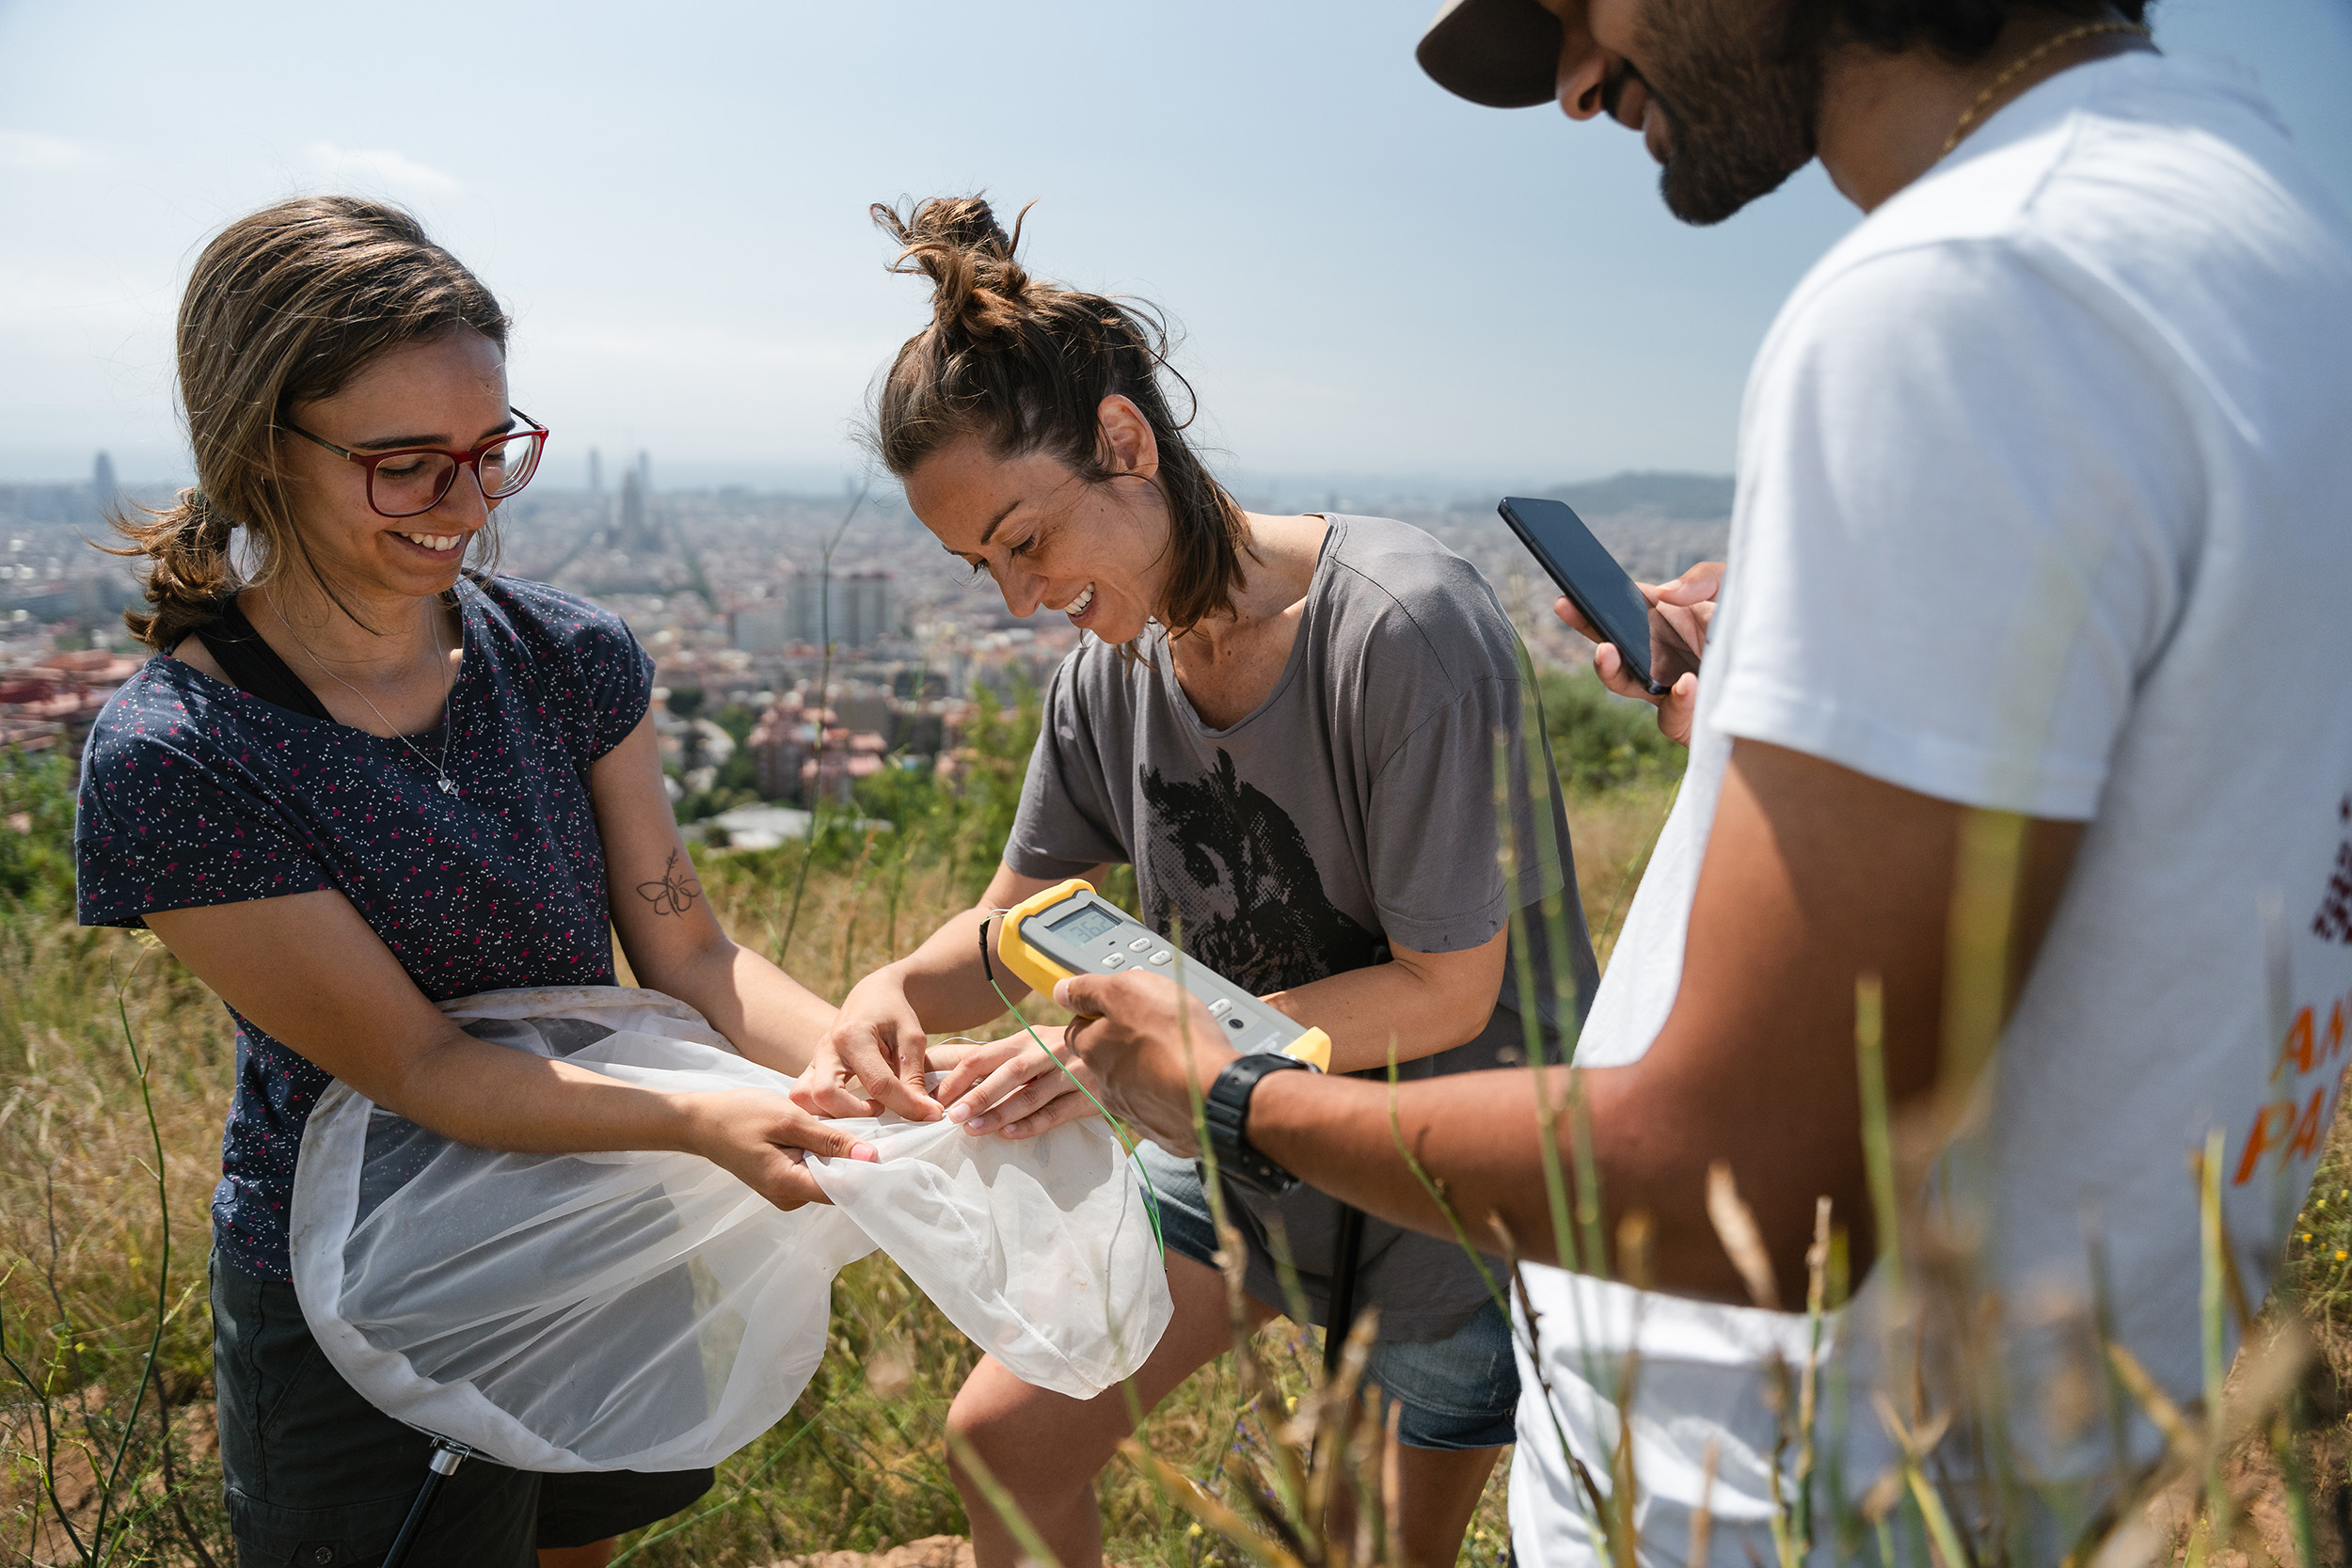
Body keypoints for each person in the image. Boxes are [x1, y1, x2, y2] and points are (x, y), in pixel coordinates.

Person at [1052, 1, 2352, 1562]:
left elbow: (1748, 1177)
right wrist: (1782, 713)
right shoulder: (2269, 234)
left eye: (1576, 11)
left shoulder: (1965, 293)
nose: (1579, 86)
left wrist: (1237, 1087)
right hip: (2029, 1452)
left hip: (1763, 1492)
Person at [790, 195, 1599, 1568]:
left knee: (1357, 1551)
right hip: (1232, 1149)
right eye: (979, 564)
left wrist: (1139, 1049)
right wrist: (885, 987)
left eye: (1025, 539)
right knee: (1004, 1446)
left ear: (1123, 441)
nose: (1014, 598)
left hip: (1447, 1181)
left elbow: (1447, 990)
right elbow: (1013, 927)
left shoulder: (1403, 628)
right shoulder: (1110, 678)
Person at [74, 197, 873, 1568]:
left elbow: (690, 955)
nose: (466, 506)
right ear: (263, 448)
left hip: (599, 1215)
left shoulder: (568, 654)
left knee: (577, 1534)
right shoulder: (179, 761)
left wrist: (878, 1066)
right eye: (404, 465)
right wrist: (703, 1126)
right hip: (366, 1286)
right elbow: (425, 1065)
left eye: (490, 450)